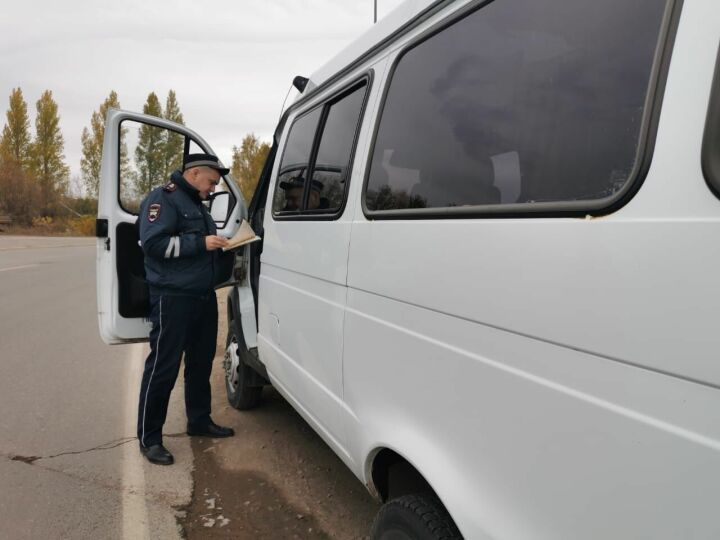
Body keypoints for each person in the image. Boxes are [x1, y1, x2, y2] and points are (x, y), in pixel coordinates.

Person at [136, 153, 235, 466]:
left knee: (200, 363)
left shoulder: (196, 204)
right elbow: (153, 245)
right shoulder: (163, 200)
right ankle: (149, 438)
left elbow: (201, 244)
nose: (212, 188)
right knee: (163, 368)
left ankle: (199, 421)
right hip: (173, 298)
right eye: (211, 182)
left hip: (202, 297)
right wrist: (201, 244)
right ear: (194, 174)